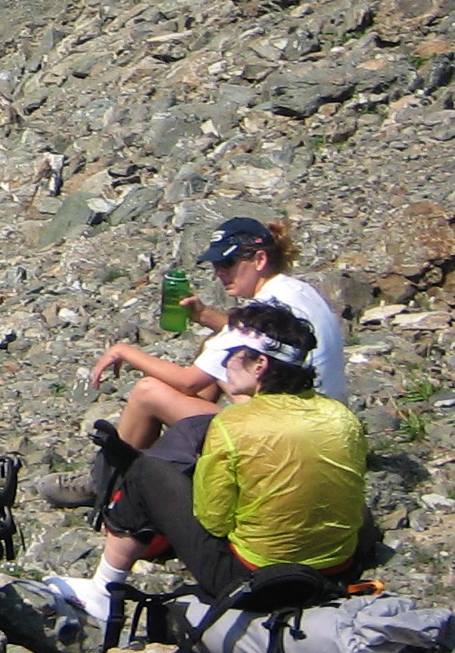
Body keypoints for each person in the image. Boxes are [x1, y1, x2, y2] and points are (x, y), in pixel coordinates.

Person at [56, 300, 369, 613]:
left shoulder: (232, 425)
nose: (225, 364)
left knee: (146, 472)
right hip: (336, 571)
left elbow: (213, 520)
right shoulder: (342, 418)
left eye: (232, 355)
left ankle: (102, 592)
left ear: (260, 365)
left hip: (253, 580)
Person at [39, 214, 347, 508]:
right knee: (213, 353)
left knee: (148, 392)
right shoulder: (297, 292)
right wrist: (205, 317)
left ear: (260, 260)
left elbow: (189, 380)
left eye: (228, 263)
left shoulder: (264, 307)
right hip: (318, 428)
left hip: (282, 441)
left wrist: (124, 351)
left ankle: (105, 481)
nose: (219, 272)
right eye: (216, 265)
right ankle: (176, 455)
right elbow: (260, 339)